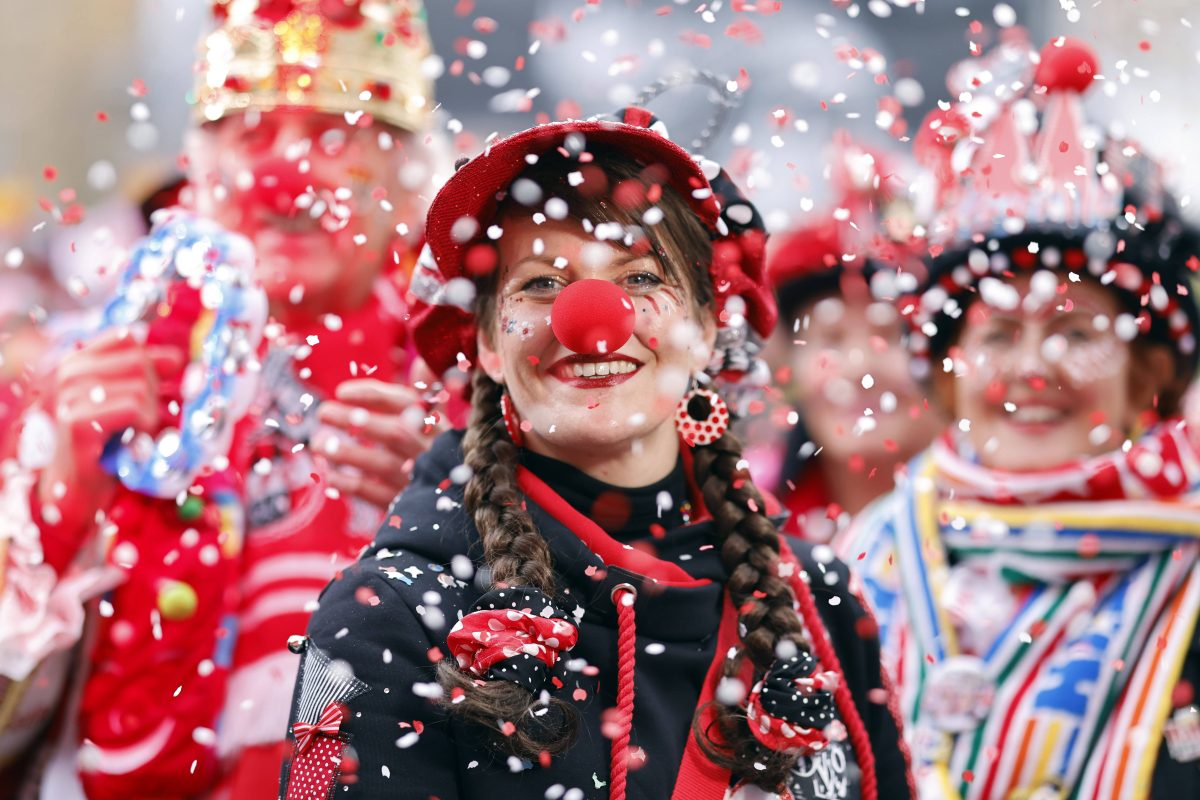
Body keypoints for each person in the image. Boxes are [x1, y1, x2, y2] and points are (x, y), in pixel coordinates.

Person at [280, 107, 914, 800]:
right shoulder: (390, 617)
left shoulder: (815, 604)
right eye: (540, 284)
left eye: (641, 278)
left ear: (706, 326)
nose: (593, 321)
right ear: (488, 343)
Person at [0, 1, 441, 796]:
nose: (286, 175)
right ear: (200, 173)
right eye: (252, 133)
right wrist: (62, 491)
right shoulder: (68, 380)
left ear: (408, 177)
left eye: (334, 133)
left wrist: (464, 512)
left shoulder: (479, 388)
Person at [838, 34, 1200, 800]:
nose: (1034, 369)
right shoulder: (854, 570)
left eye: (1075, 332)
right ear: (946, 376)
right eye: (999, 334)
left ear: (1150, 378)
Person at [754, 136, 943, 541]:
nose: (860, 367)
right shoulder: (740, 524)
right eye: (830, 340)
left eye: (891, 335)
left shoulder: (1006, 528)